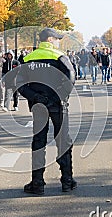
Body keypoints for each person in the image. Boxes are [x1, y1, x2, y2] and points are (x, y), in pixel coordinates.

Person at [17, 28, 76, 195]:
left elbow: (20, 83)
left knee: (38, 143)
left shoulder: (28, 58)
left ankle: (37, 183)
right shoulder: (59, 56)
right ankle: (67, 180)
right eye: (57, 39)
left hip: (38, 105)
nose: (58, 41)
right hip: (58, 105)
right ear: (50, 39)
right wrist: (60, 95)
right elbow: (71, 76)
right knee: (63, 141)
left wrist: (35, 96)